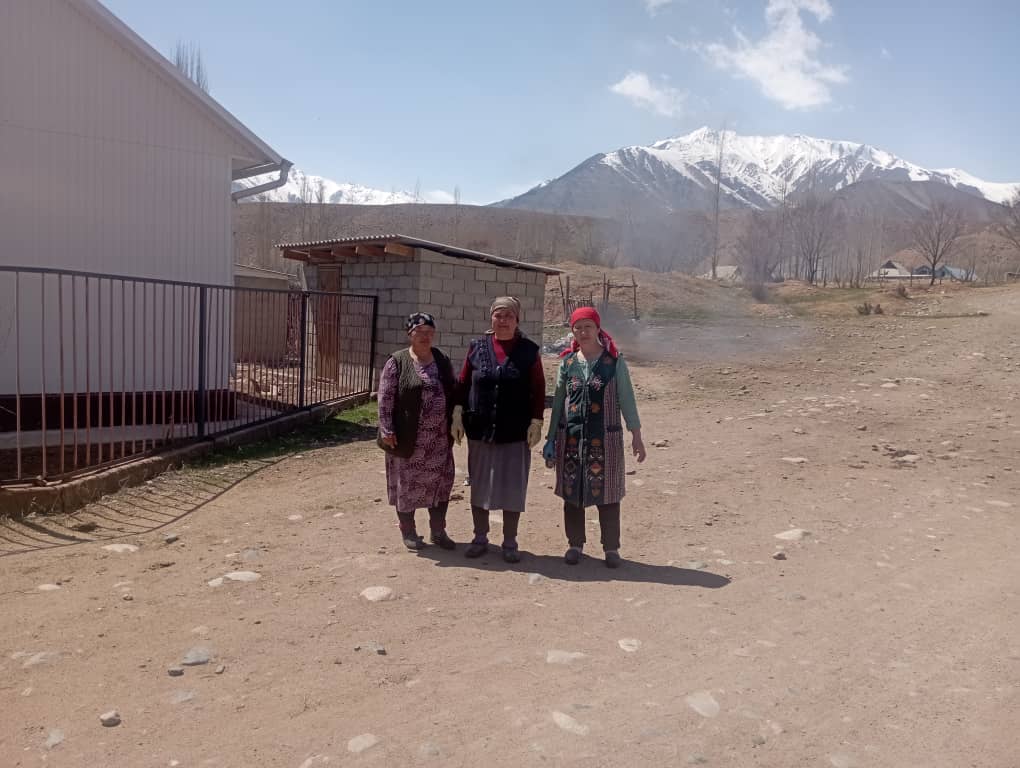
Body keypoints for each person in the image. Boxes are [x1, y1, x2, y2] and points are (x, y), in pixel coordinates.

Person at [543, 307, 646, 568]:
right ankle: (575, 545)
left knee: (608, 494)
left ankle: (611, 548)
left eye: (588, 326)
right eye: (578, 328)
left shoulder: (614, 363)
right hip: (571, 440)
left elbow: (627, 400)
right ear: (572, 332)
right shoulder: (567, 363)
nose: (583, 332)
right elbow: (558, 403)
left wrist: (636, 435)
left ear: (598, 329)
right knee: (572, 493)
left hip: (606, 440)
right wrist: (550, 438)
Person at [451, 297, 545, 563]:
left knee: (513, 487)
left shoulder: (529, 350)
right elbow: (463, 382)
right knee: (480, 485)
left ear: (517, 320)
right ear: (491, 318)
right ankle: (480, 538)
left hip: (515, 431)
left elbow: (539, 387)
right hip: (480, 429)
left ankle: (510, 542)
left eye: (508, 316)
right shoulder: (476, 347)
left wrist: (536, 421)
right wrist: (457, 413)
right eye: (498, 315)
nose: (503, 321)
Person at [377, 312, 458, 551]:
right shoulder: (397, 362)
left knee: (441, 484)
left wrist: (457, 417)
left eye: (429, 332)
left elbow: (453, 389)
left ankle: (438, 531)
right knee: (407, 485)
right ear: (410, 334)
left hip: (439, 440)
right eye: (420, 332)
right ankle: (409, 532)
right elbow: (385, 398)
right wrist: (387, 429)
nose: (425, 337)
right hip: (407, 439)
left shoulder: (441, 359)